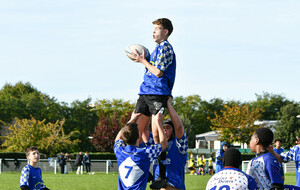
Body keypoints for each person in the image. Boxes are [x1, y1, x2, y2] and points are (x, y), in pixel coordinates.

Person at [130, 18, 176, 189]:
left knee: (156, 132)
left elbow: (158, 72)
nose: (154, 31)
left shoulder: (166, 48)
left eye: (157, 28)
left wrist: (143, 61)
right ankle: (142, 167)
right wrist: (142, 59)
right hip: (145, 91)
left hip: (158, 93)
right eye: (153, 28)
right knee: (136, 129)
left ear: (166, 32)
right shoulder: (156, 49)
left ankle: (162, 176)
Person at [114, 111, 167, 190]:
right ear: (139, 136)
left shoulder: (120, 151)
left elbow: (118, 138)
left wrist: (132, 119)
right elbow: (164, 144)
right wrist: (159, 123)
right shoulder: (145, 153)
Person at [151, 97, 188, 190]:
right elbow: (155, 133)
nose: (164, 129)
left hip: (173, 186)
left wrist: (168, 103)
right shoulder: (157, 144)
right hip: (157, 185)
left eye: (168, 127)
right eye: (163, 127)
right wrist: (154, 109)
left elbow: (179, 127)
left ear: (173, 131)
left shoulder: (179, 145)